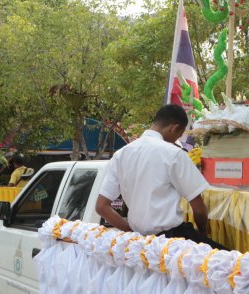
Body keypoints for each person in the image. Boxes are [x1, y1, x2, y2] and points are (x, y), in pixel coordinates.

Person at [95, 104, 225, 249]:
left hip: (140, 244)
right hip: (172, 241)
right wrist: (202, 233)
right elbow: (199, 209)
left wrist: (131, 233)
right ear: (175, 128)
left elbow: (101, 206)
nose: (176, 139)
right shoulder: (174, 154)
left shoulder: (121, 154)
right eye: (179, 135)